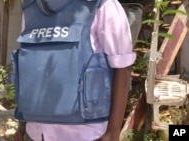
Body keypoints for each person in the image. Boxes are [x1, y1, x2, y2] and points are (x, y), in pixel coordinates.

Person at [14, 0, 137, 140]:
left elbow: (122, 67)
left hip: (85, 133)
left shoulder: (103, 6)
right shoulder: (31, 8)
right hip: (36, 132)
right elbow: (29, 68)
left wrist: (113, 132)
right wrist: (22, 124)